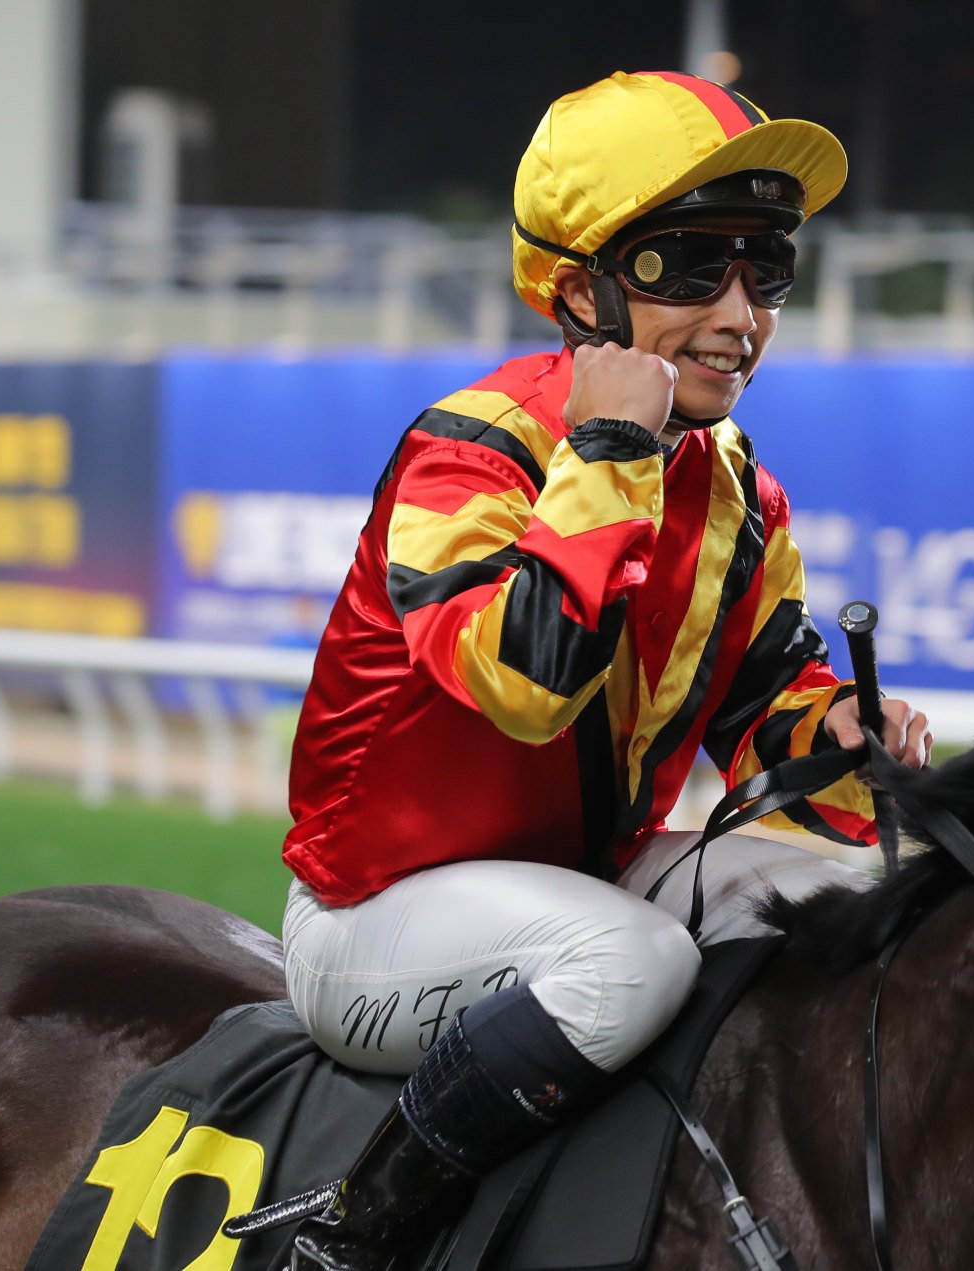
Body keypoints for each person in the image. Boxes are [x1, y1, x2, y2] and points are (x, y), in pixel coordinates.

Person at [260, 71, 933, 1270]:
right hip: (371, 920)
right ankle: (351, 1235)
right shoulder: (467, 448)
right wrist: (613, 443)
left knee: (872, 896)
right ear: (578, 290)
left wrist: (842, 737)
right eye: (688, 269)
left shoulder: (733, 487)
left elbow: (761, 705)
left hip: (584, 877)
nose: (741, 314)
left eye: (765, 269)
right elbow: (526, 682)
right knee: (632, 960)